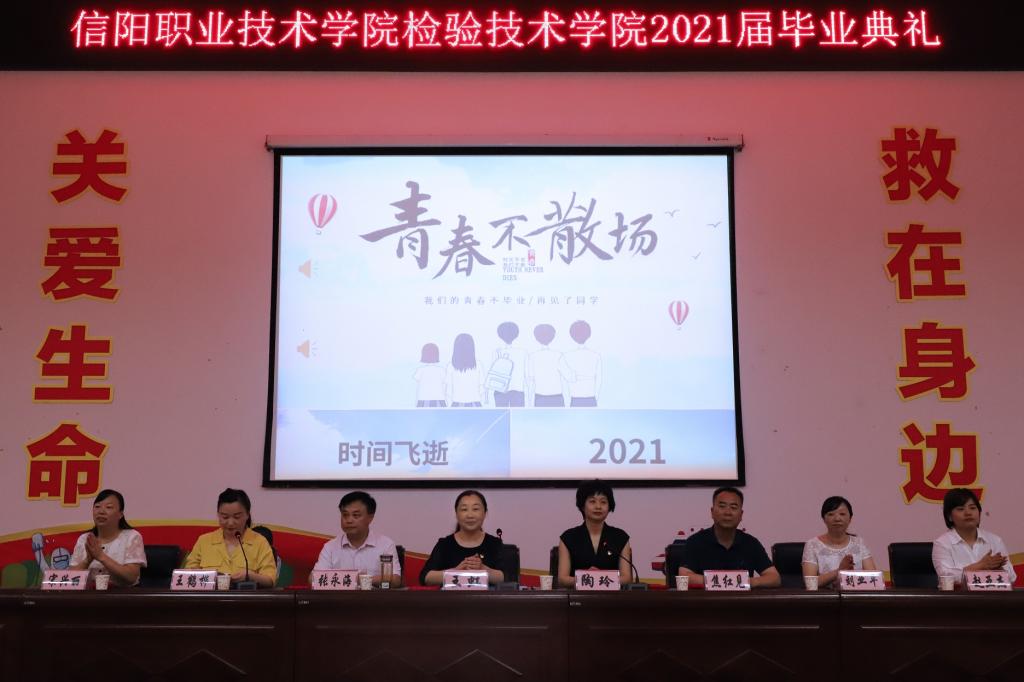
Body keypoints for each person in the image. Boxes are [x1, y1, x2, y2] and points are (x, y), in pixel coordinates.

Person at [678, 487, 781, 588]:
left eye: (733, 507)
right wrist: (726, 582)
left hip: (740, 599)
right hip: (706, 599)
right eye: (722, 506)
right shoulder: (695, 541)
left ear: (741, 515)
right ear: (712, 512)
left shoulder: (751, 543)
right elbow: (683, 578)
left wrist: (749, 582)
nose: (727, 513)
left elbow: (774, 578)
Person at [184, 488, 277, 588]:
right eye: (225, 517)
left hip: (245, 597)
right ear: (218, 514)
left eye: (237, 517)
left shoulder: (260, 542)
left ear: (247, 515)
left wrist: (250, 576)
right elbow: (188, 576)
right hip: (210, 597)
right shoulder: (204, 541)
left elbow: (270, 580)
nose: (230, 523)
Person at [312, 491, 402, 587]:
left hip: (374, 596)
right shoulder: (330, 547)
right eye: (345, 515)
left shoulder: (386, 544)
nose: (349, 520)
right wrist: (353, 578)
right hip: (340, 597)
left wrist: (361, 579)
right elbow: (313, 579)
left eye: (356, 515)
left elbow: (395, 580)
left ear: (370, 518)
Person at [932, 487, 1016, 586]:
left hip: (991, 595)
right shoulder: (942, 543)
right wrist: (981, 566)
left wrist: (998, 569)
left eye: (972, 508)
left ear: (979, 513)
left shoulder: (995, 540)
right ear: (949, 516)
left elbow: (1012, 577)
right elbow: (946, 577)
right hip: (958, 596)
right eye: (960, 509)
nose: (968, 513)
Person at [557, 480, 633, 587]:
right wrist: (588, 578)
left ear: (609, 506)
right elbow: (562, 579)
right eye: (592, 501)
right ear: (582, 506)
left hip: (612, 596)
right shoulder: (569, 537)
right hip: (578, 596)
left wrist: (598, 577)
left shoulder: (620, 537)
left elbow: (626, 578)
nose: (598, 506)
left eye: (603, 502)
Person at [420, 490, 504, 585]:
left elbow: (508, 577)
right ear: (456, 514)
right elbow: (425, 577)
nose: (470, 515)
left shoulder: (494, 544)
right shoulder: (445, 544)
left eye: (475, 509)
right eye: (464, 509)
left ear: (485, 513)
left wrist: (484, 570)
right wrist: (455, 572)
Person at [70, 489, 147, 587]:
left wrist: (101, 556)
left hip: (123, 594)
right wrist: (88, 560)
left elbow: (131, 577)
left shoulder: (132, 537)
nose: (101, 511)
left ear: (120, 514)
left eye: (109, 507)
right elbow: (70, 579)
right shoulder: (85, 539)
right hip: (89, 594)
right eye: (97, 507)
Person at [801, 496, 876, 587]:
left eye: (842, 514)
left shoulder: (859, 543)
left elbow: (874, 579)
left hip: (854, 595)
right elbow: (810, 584)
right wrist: (839, 571)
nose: (837, 518)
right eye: (831, 514)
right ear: (824, 519)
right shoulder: (812, 545)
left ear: (850, 518)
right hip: (825, 595)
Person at [447, 333, 483, 407]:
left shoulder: (451, 365)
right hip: (475, 404)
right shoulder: (478, 364)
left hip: (456, 404)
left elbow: (448, 390)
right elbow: (482, 387)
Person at [413, 343, 446, 407]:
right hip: (439, 400)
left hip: (423, 399)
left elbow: (416, 380)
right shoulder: (441, 370)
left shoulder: (420, 370)